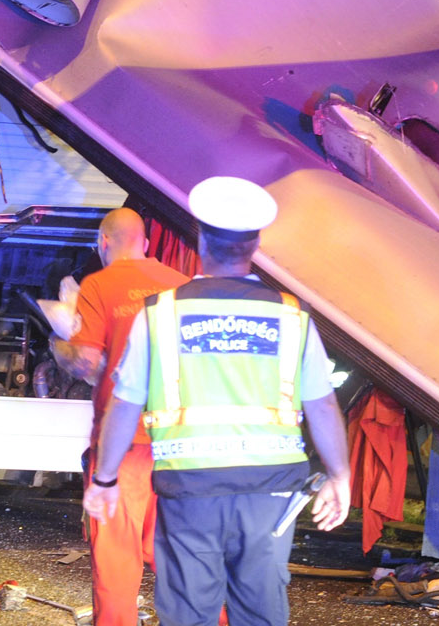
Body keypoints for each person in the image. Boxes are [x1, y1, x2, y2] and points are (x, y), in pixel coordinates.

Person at [83, 177, 352, 626]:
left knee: (190, 609)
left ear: (201, 240)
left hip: (191, 489)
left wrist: (105, 479)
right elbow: (322, 405)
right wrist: (340, 476)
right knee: (260, 608)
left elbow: (125, 404)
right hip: (270, 489)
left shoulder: (161, 314)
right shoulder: (292, 315)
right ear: (256, 244)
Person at [53, 208, 188, 626]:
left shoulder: (99, 285)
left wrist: (61, 340)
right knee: (183, 555)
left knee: (116, 557)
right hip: (182, 446)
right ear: (146, 244)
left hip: (124, 445)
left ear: (103, 242)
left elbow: (86, 362)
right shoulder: (183, 286)